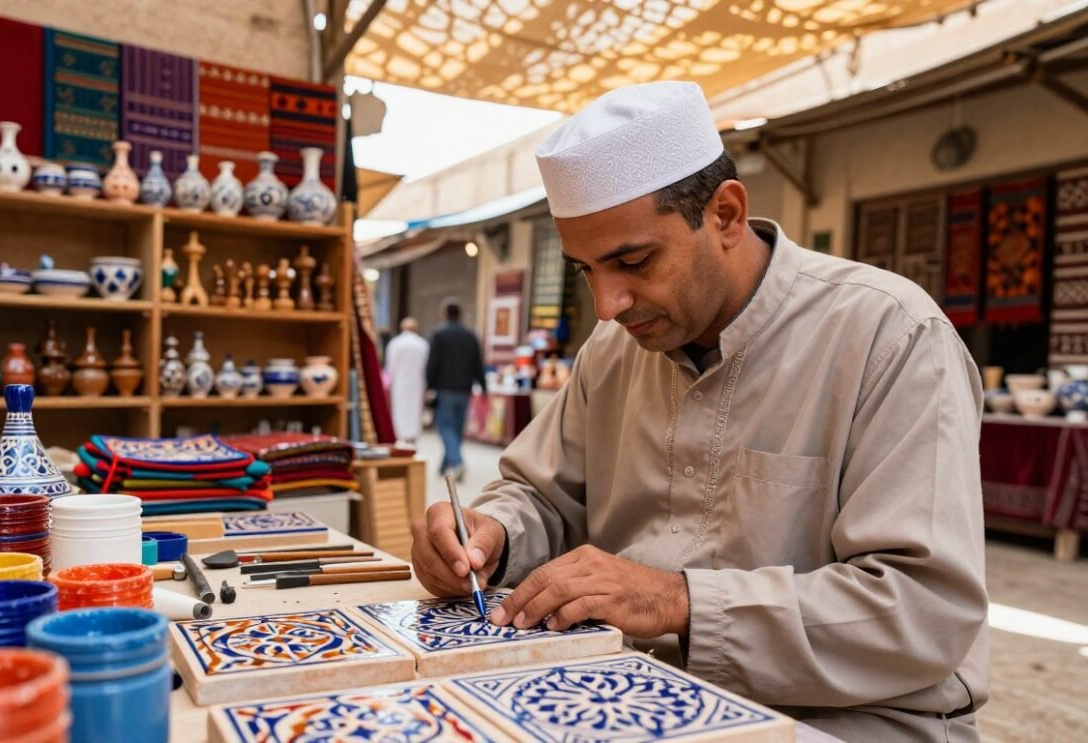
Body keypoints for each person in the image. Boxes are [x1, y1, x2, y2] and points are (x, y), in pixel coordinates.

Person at [411, 82, 987, 742]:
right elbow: (541, 496)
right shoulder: (612, 351)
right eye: (586, 271)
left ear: (727, 214)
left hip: (847, 721)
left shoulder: (891, 338)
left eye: (632, 261)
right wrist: (491, 535)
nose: (608, 305)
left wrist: (677, 600)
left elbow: (924, 609)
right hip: (635, 694)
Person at [426, 299, 485, 481]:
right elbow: (477, 362)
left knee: (445, 427)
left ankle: (457, 462)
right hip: (464, 389)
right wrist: (483, 385)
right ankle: (445, 464)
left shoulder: (439, 334)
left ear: (444, 313)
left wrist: (430, 386)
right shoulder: (470, 335)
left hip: (445, 388)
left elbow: (433, 362)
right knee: (456, 428)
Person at [385, 317, 429, 445]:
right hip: (417, 382)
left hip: (399, 382)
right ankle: (411, 435)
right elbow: (426, 366)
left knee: (400, 408)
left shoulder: (395, 343)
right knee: (414, 410)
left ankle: (400, 435)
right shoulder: (422, 344)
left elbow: (390, 366)